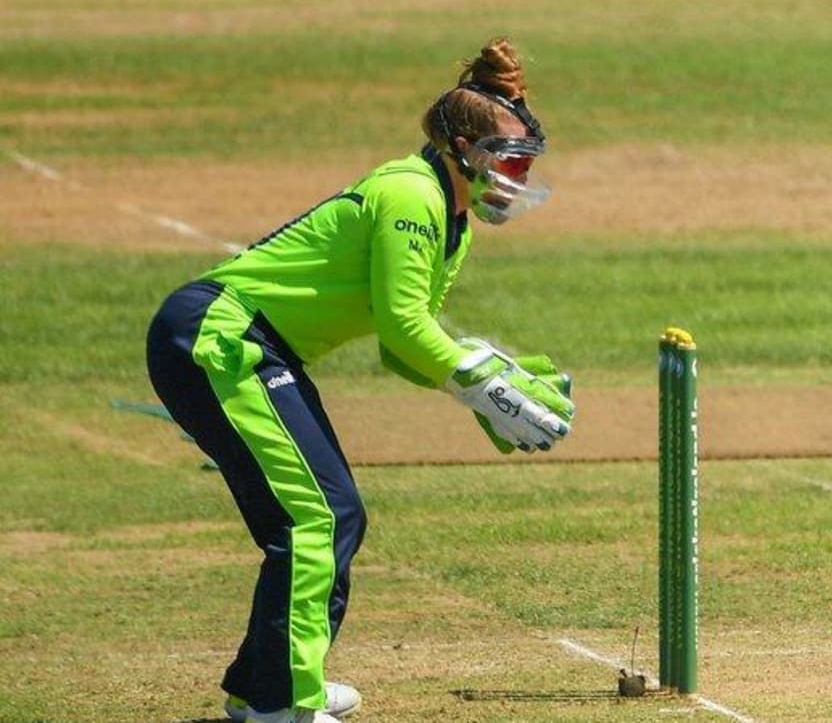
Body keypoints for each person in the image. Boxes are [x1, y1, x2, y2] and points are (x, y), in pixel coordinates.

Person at [146, 37, 577, 723]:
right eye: (508, 158)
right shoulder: (410, 195)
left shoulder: (451, 219)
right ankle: (282, 703)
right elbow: (407, 327)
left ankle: (266, 687)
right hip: (219, 339)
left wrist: (490, 381)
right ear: (463, 146)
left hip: (257, 349)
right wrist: (480, 382)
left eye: (524, 161)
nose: (517, 175)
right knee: (316, 516)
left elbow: (402, 348)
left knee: (331, 511)